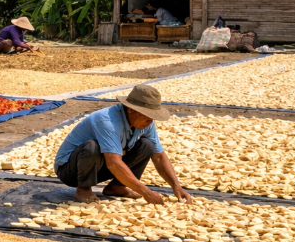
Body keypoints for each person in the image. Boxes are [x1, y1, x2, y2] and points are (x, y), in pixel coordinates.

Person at [54, 84, 193, 205]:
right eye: (147, 116)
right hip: (70, 171)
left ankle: (117, 187)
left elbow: (159, 156)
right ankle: (83, 189)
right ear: (130, 110)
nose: (150, 122)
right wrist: (146, 192)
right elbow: (113, 163)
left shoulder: (145, 123)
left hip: (99, 167)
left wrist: (176, 187)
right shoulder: (107, 121)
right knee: (93, 146)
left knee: (147, 145)